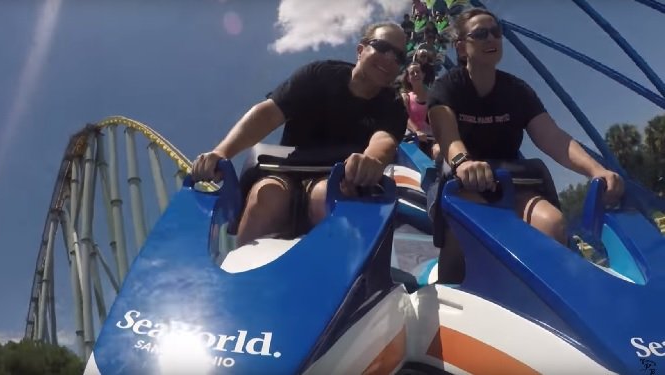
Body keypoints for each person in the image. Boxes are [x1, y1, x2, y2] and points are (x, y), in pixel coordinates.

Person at [426, 9, 625, 283]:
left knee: (552, 223)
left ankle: (553, 294)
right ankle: (460, 283)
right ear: (461, 47)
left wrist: (595, 170)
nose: (491, 38)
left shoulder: (517, 91)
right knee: (475, 222)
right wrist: (463, 162)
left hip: (510, 179)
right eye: (481, 34)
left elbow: (553, 137)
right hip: (464, 181)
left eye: (496, 32)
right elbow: (447, 135)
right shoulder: (446, 86)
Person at [192, 22, 409, 247]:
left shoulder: (393, 104)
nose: (390, 59)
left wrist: (372, 160)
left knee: (326, 199)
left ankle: (334, 275)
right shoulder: (319, 76)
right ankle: (242, 274)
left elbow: (383, 140)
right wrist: (221, 152)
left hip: (338, 178)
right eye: (382, 48)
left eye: (399, 57)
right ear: (361, 49)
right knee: (267, 197)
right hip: (288, 171)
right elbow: (267, 115)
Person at [400, 61, 439, 158]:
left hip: (432, 139)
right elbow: (405, 117)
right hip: (413, 139)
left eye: (418, 72)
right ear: (408, 78)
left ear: (423, 75)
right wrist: (416, 131)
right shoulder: (407, 98)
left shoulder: (434, 95)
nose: (415, 74)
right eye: (412, 73)